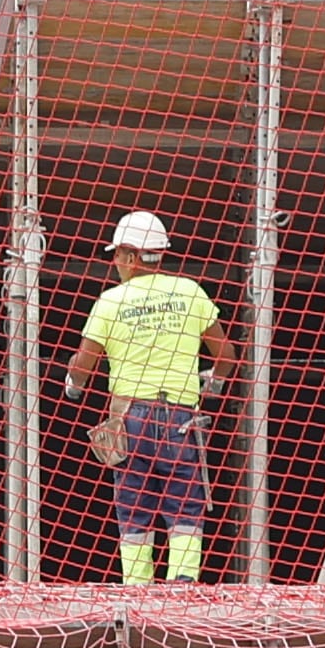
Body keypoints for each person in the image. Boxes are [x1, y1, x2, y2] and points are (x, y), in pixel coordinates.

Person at [63, 211, 238, 585]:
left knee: (134, 505)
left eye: (116, 256)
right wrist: (213, 383)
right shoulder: (190, 292)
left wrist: (72, 384)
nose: (115, 264)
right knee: (185, 502)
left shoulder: (110, 302)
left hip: (130, 420)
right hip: (180, 419)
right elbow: (226, 357)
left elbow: (83, 364)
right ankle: (183, 582)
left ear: (129, 255)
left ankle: (136, 585)